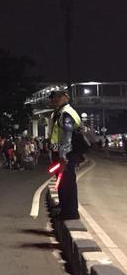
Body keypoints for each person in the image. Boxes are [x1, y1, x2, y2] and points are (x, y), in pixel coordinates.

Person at [48, 90, 82, 220]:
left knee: (67, 183)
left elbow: (68, 136)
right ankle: (64, 207)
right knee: (61, 181)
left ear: (65, 98)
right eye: (53, 98)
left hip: (67, 154)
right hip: (60, 153)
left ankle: (70, 212)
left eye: (57, 97)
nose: (54, 100)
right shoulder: (59, 113)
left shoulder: (67, 114)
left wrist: (63, 157)